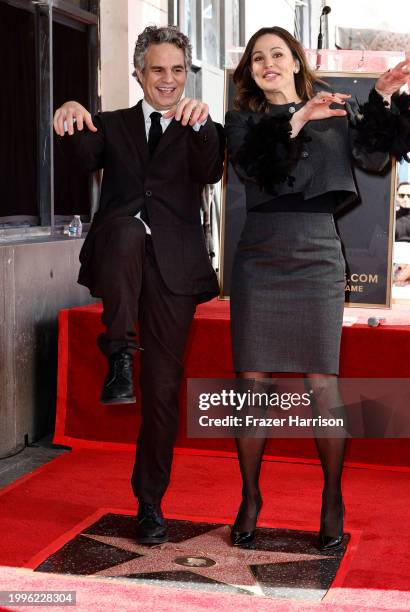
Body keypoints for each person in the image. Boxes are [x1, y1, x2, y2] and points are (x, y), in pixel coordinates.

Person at [224, 26, 410, 551]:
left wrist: (379, 98)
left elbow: (377, 161)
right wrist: (299, 118)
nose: (268, 63)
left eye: (277, 55)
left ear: (296, 61)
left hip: (316, 253)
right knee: (252, 387)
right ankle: (249, 497)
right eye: (258, 57)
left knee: (321, 385)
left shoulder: (337, 110)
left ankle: (332, 498)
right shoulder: (244, 121)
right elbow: (252, 169)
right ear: (251, 70)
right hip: (259, 256)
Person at [53, 25, 224, 545]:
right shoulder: (115, 124)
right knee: (125, 230)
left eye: (177, 70)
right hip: (123, 259)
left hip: (176, 269)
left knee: (164, 391)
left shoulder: (198, 124)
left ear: (186, 73)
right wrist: (70, 110)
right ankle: (120, 353)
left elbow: (211, 170)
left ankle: (150, 502)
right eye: (157, 70)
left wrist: (201, 126)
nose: (167, 80)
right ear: (138, 73)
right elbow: (82, 156)